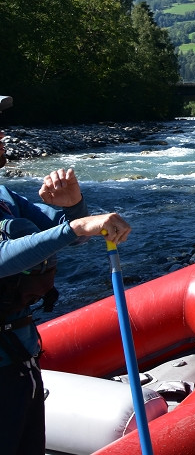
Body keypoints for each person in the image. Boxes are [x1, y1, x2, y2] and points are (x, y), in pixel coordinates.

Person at [0, 94, 133, 455]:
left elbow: (63, 235)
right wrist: (77, 225)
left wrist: (73, 205)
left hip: (20, 358)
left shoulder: (4, 195)